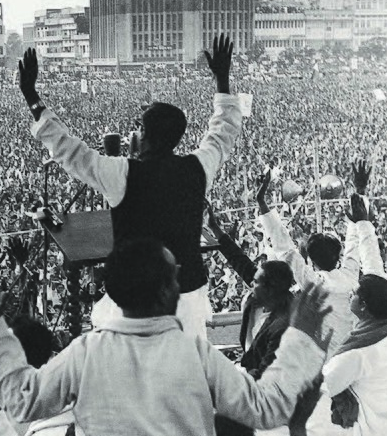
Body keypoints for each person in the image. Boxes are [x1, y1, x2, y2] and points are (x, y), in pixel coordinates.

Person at [0, 238, 332, 436]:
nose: (179, 283)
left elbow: (23, 403)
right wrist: (301, 336)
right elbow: (267, 408)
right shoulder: (194, 354)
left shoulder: (85, 353)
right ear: (162, 293)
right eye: (173, 277)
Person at [19, 35, 243, 338]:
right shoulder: (198, 168)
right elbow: (223, 130)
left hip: (134, 304)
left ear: (145, 135)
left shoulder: (121, 173)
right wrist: (222, 80)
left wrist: (32, 95)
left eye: (139, 127)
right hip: (186, 297)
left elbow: (69, 151)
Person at [258, 161, 384, 356]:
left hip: (327, 366)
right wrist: (360, 191)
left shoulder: (313, 283)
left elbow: (286, 249)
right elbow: (354, 239)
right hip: (356, 357)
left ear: (311, 260)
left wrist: (261, 201)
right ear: (338, 255)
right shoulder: (350, 276)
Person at [208, 208, 295, 436]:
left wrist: (226, 380)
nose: (250, 283)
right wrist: (217, 231)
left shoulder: (286, 326)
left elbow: (268, 373)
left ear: (270, 288)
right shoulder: (261, 297)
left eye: (255, 282)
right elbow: (239, 261)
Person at [310, 275, 387, 435]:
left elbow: (320, 387)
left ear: (363, 305)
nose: (349, 296)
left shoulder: (357, 354)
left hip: (373, 427)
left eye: (353, 293)